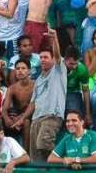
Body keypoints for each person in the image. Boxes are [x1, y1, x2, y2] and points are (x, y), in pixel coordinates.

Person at [29, 29, 66, 161]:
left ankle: (61, 163)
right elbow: (33, 102)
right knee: (34, 156)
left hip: (52, 116)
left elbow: (57, 55)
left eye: (46, 57)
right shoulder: (38, 79)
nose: (43, 60)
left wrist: (54, 38)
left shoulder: (58, 70)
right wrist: (22, 119)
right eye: (41, 57)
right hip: (36, 119)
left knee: (43, 144)